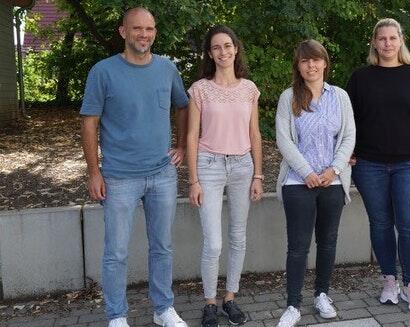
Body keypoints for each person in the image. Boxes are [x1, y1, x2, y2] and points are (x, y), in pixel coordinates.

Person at [80, 7, 189, 327]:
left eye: (150, 29)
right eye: (137, 28)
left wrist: (181, 145)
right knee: (116, 252)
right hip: (118, 177)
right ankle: (117, 315)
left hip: (162, 173)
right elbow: (89, 124)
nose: (144, 34)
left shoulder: (167, 68)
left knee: (163, 246)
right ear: (122, 32)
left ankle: (163, 309)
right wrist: (94, 171)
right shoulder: (103, 71)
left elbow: (182, 106)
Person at [346, 18, 410, 312]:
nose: (387, 43)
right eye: (381, 38)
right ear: (374, 42)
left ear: (401, 41)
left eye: (392, 38)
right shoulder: (360, 77)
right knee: (381, 224)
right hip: (369, 164)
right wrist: (346, 151)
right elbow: (347, 121)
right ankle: (389, 280)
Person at [275, 39, 356, 327]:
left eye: (316, 60)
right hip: (298, 182)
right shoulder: (289, 97)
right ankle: (293, 305)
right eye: (305, 61)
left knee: (328, 241)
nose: (311, 65)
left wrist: (334, 170)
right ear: (298, 65)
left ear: (325, 63)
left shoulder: (340, 97)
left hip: (332, 183)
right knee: (298, 246)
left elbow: (348, 137)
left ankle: (322, 294)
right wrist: (307, 171)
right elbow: (283, 139)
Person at [186, 25, 263, 327]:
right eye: (216, 47)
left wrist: (258, 174)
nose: (223, 52)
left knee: (238, 237)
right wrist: (193, 180)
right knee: (214, 242)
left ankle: (230, 297)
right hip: (209, 167)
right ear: (209, 53)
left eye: (228, 45)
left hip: (243, 166)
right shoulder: (200, 89)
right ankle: (209, 302)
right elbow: (192, 136)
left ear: (236, 48)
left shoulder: (249, 89)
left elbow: (255, 134)